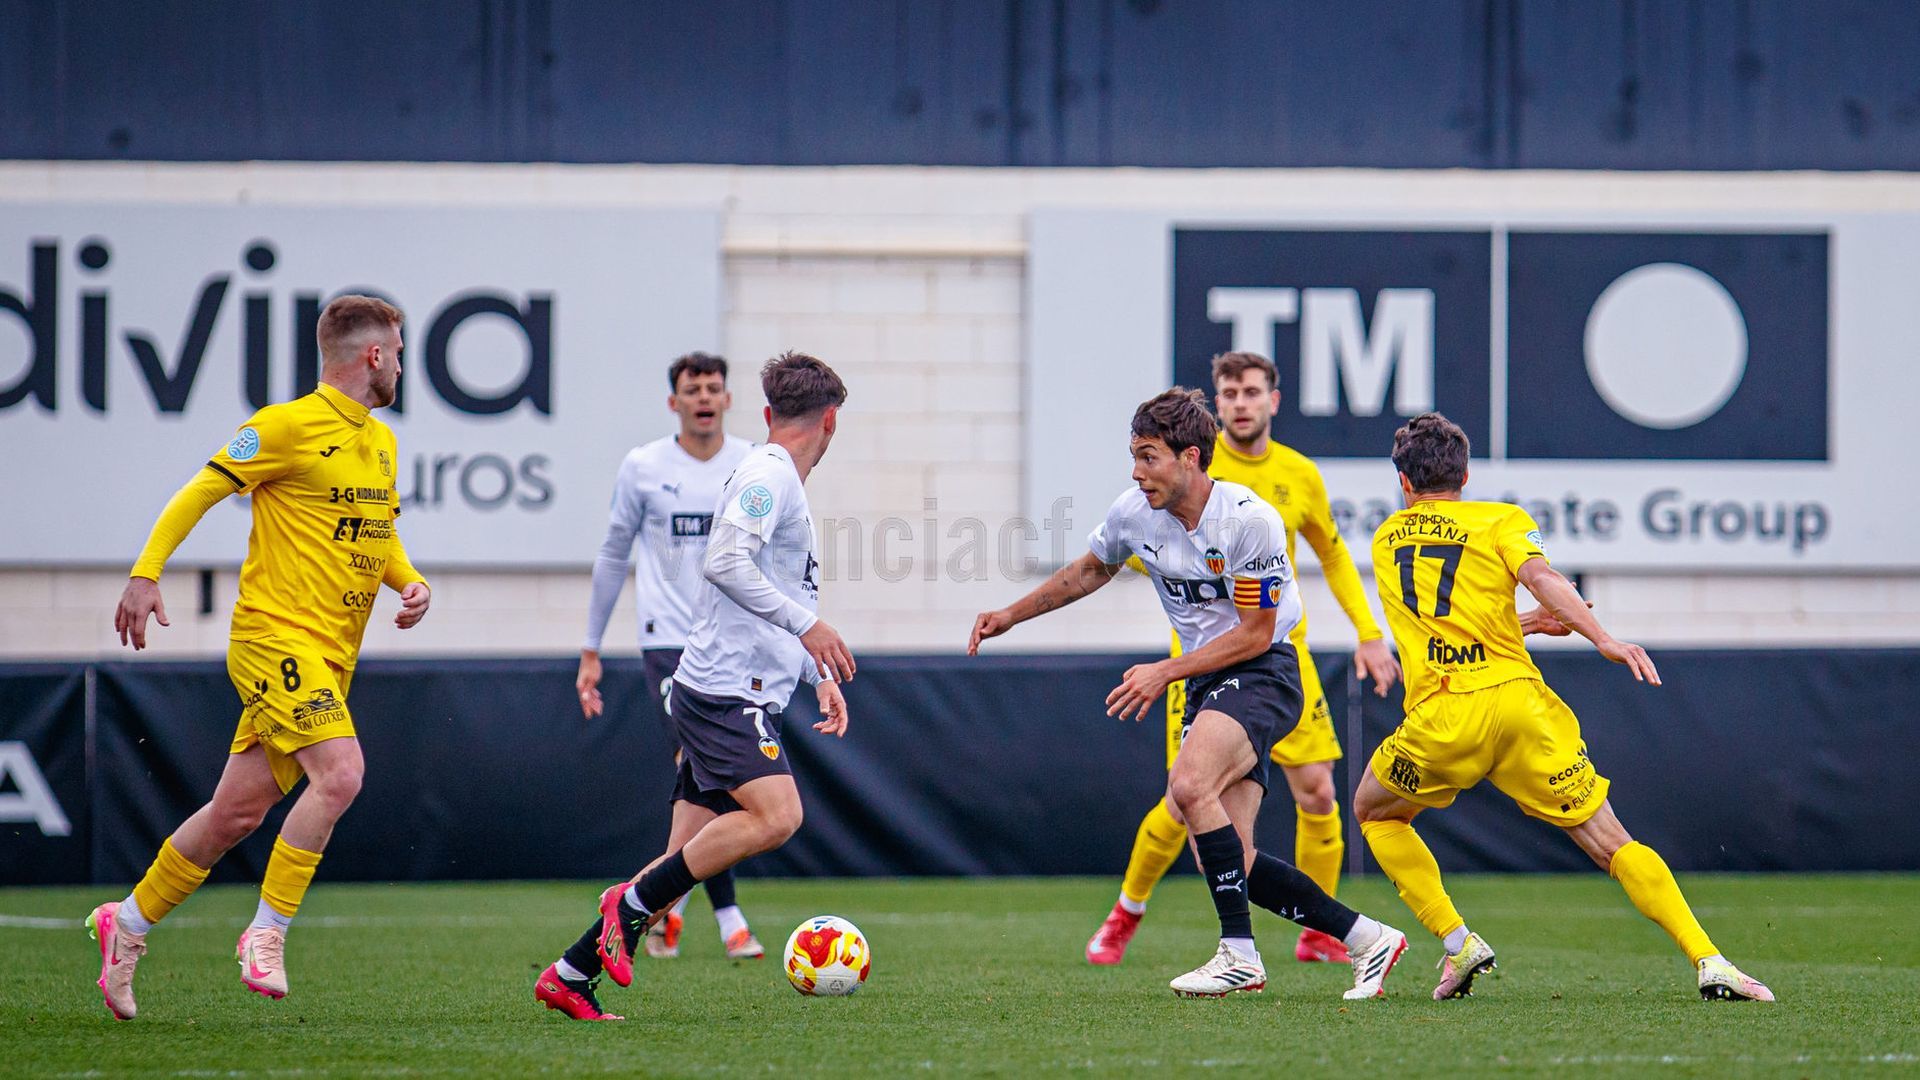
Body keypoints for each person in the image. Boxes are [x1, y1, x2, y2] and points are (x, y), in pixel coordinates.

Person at [970, 388, 1407, 1000]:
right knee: (1228, 858)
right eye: (1133, 456)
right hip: (1209, 678)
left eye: (1149, 457)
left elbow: (1256, 634)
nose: (1136, 471)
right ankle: (1366, 938)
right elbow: (1091, 570)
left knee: (1188, 785)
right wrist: (1013, 614)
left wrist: (1164, 672)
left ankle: (1239, 955)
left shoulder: (1248, 521)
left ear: (1191, 458)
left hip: (1266, 670)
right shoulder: (1133, 512)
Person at [1354, 412, 1774, 1002]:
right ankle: (1711, 960)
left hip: (1444, 717)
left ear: (1403, 481)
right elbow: (1541, 575)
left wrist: (1527, 623)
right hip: (1520, 707)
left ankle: (1457, 942)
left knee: (1375, 811)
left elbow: (1448, 623)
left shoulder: (1386, 537)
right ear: (1466, 474)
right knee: (1610, 840)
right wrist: (1600, 637)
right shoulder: (1500, 519)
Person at [89, 296, 431, 1019]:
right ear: (373, 356)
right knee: (341, 775)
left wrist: (409, 581)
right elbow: (202, 489)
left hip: (332, 658)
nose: (401, 363)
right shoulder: (284, 425)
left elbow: (376, 530)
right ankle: (267, 933)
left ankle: (128, 923)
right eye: (397, 351)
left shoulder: (380, 442)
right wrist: (146, 573)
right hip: (273, 639)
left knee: (233, 815)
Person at [536, 351, 857, 1022]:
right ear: (831, 421)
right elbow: (726, 563)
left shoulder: (773, 476)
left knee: (684, 853)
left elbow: (772, 592)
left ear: (768, 413)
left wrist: (813, 671)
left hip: (733, 684)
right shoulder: (768, 475)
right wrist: (813, 627)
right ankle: (625, 904)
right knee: (778, 816)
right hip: (722, 693)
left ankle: (571, 973)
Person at [1089, 351, 1402, 967]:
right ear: (1216, 406)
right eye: (1229, 393)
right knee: (1186, 803)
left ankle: (1317, 936)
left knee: (1316, 791)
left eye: (1252, 392)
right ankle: (1128, 911)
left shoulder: (1296, 476)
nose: (1239, 403)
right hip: (1199, 666)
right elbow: (1129, 553)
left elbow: (1334, 555)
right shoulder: (1182, 464)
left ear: (1272, 401)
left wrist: (1369, 632)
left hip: (1273, 654)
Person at [575, 351, 762, 961]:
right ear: (674, 402)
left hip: (734, 644)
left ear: (728, 399)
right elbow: (611, 555)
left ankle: (665, 906)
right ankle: (728, 916)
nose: (704, 396)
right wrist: (591, 647)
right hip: (670, 645)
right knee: (711, 766)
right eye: (692, 388)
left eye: (713, 387)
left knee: (707, 780)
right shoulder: (644, 467)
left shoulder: (752, 467)